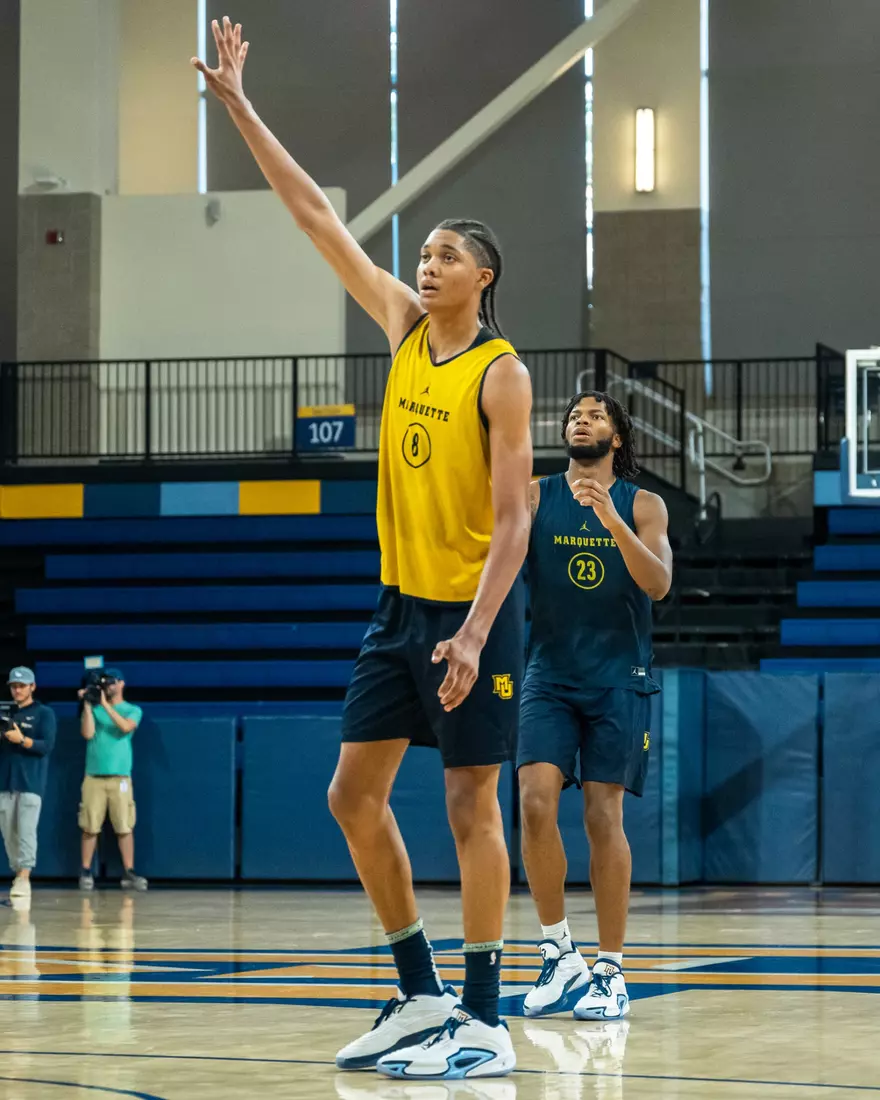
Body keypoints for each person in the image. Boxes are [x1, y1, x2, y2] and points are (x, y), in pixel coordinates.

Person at [195, 18, 532, 1081]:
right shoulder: (396, 325)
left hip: (473, 613)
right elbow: (310, 215)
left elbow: (516, 517)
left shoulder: (501, 372)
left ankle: (484, 1015)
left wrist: (477, 629)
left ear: (483, 276)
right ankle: (420, 991)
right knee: (351, 794)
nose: (424, 262)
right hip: (399, 609)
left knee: (471, 801)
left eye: (445, 253)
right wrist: (241, 107)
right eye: (422, 251)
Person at [518, 391, 672, 1020]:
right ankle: (558, 953)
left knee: (603, 818)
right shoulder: (535, 494)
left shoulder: (644, 504)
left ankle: (610, 970)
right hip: (548, 672)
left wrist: (611, 521)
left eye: (595, 415)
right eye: (574, 415)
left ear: (617, 438)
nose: (581, 420)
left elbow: (658, 583)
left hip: (618, 677)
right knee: (532, 803)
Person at [78, 668, 148, 892]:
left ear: (121, 684)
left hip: (120, 777)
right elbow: (87, 734)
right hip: (94, 776)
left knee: (124, 825)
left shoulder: (132, 709)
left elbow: (126, 727)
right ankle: (86, 870)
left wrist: (106, 705)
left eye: (112, 682)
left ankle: (128, 871)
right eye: (105, 683)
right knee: (89, 825)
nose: (108, 687)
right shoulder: (95, 710)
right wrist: (89, 705)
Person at [0, 667, 56, 901]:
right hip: (5, 781)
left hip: (30, 782)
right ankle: (17, 872)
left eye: (22, 686)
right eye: (14, 686)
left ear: (32, 687)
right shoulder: (7, 713)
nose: (17, 690)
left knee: (26, 831)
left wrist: (22, 740)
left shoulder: (44, 713)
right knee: (8, 833)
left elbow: (46, 746)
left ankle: (25, 875)